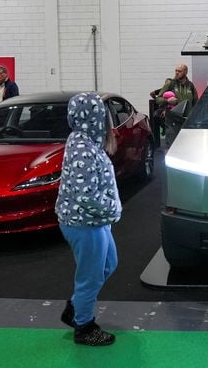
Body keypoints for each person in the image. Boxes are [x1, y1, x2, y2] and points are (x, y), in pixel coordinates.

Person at [55, 92, 121, 347]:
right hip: (84, 223)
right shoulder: (82, 147)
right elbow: (86, 196)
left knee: (108, 264)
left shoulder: (86, 141)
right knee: (90, 277)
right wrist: (113, 209)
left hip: (94, 221)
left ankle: (75, 307)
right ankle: (84, 326)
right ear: (96, 117)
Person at [149, 63, 199, 148]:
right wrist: (167, 100)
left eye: (179, 71)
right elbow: (158, 99)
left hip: (186, 120)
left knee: (187, 145)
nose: (177, 72)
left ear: (185, 72)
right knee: (171, 145)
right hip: (172, 120)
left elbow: (195, 102)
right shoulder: (170, 83)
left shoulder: (190, 85)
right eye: (176, 70)